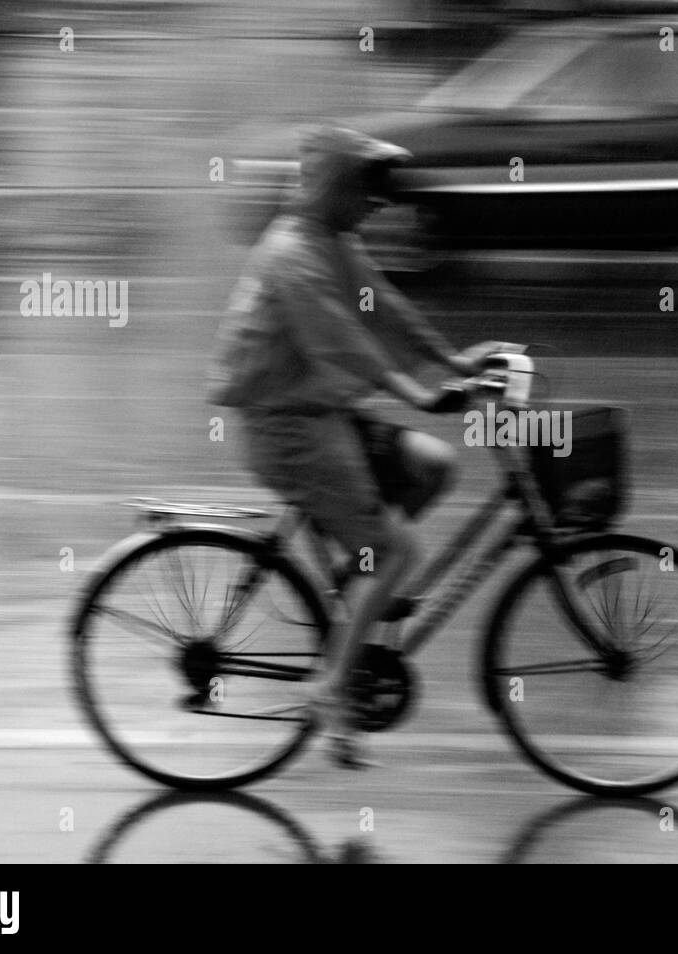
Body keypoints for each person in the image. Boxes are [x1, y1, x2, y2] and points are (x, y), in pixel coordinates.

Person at [207, 125, 489, 767]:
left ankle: (356, 589)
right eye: (370, 188)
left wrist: (453, 362)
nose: (380, 203)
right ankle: (330, 692)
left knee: (436, 468)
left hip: (326, 415)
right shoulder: (291, 253)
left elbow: (383, 308)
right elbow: (338, 339)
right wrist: (418, 395)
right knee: (397, 553)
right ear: (337, 185)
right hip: (288, 429)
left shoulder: (333, 241)